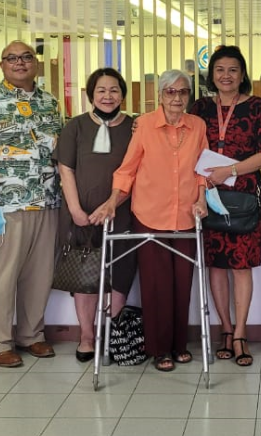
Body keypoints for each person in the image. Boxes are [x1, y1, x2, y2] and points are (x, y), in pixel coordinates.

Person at [92, 69, 209, 372]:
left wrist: (200, 198)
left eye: (183, 92)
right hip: (150, 214)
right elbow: (127, 170)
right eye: (170, 92)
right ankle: (159, 350)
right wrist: (112, 201)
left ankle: (179, 344)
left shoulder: (197, 126)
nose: (176, 98)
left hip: (185, 215)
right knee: (156, 285)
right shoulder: (143, 125)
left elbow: (203, 169)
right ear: (160, 95)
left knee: (182, 284)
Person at [0, 41, 64, 368]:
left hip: (47, 200)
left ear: (35, 63)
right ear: (2, 65)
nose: (19, 63)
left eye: (25, 57)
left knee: (40, 273)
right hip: (4, 202)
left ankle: (31, 336)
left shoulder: (49, 103)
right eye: (12, 58)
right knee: (2, 275)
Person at [188, 46, 261, 367]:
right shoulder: (199, 108)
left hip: (243, 198)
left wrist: (231, 170)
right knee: (216, 265)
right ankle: (225, 328)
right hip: (207, 195)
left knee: (241, 266)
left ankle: (240, 334)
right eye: (220, 70)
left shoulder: (256, 107)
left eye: (233, 70)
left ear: (243, 74)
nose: (226, 76)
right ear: (211, 75)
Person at [56, 68, 138, 362]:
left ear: (123, 94)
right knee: (85, 276)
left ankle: (112, 333)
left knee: (121, 273)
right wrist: (77, 210)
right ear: (91, 94)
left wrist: (113, 204)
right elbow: (66, 170)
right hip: (82, 216)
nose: (108, 96)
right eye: (101, 90)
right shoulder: (75, 126)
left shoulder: (134, 128)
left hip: (124, 212)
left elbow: (139, 172)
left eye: (114, 90)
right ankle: (87, 337)